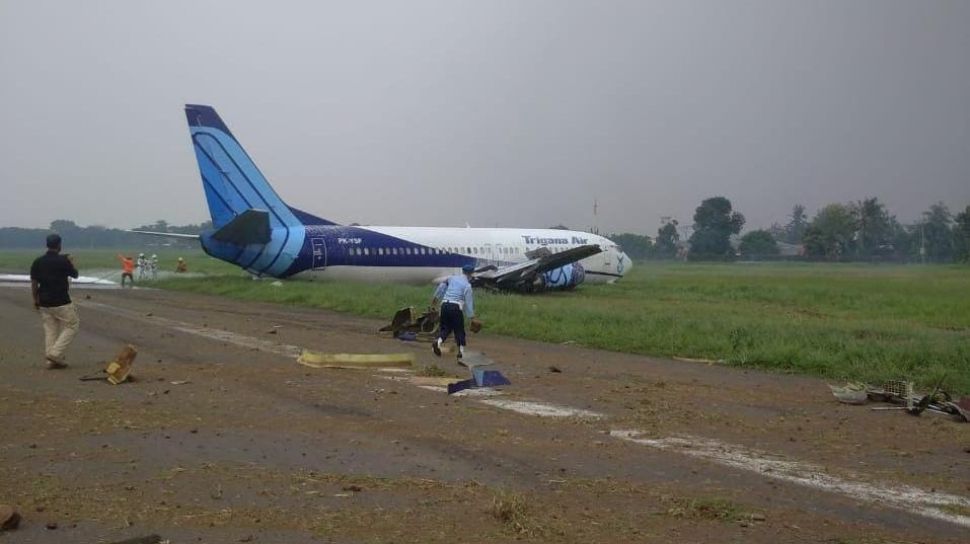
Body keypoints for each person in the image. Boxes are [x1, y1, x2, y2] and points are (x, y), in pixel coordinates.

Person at [30, 234, 80, 369]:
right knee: (72, 325)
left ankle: (51, 360)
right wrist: (70, 261)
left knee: (50, 329)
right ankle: (55, 353)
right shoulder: (63, 261)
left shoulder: (38, 261)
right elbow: (75, 274)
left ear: (47, 245)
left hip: (44, 301)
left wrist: (35, 299)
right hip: (61, 301)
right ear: (59, 245)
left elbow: (34, 283)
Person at [431, 264, 476, 365]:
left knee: (445, 328)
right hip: (455, 307)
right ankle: (461, 354)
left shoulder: (452, 278)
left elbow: (441, 286)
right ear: (471, 274)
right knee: (459, 330)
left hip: (444, 305)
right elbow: (469, 303)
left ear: (462, 271)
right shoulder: (467, 286)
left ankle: (437, 343)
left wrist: (435, 299)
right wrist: (472, 317)